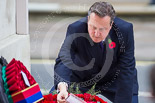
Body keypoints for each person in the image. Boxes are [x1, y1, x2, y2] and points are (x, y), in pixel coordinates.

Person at [50, 1, 139, 103]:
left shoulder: (124, 30)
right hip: (82, 79)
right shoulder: (75, 29)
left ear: (111, 25)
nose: (96, 33)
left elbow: (126, 67)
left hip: (115, 81)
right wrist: (62, 88)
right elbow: (64, 60)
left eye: (102, 29)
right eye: (93, 27)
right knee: (53, 99)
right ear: (88, 20)